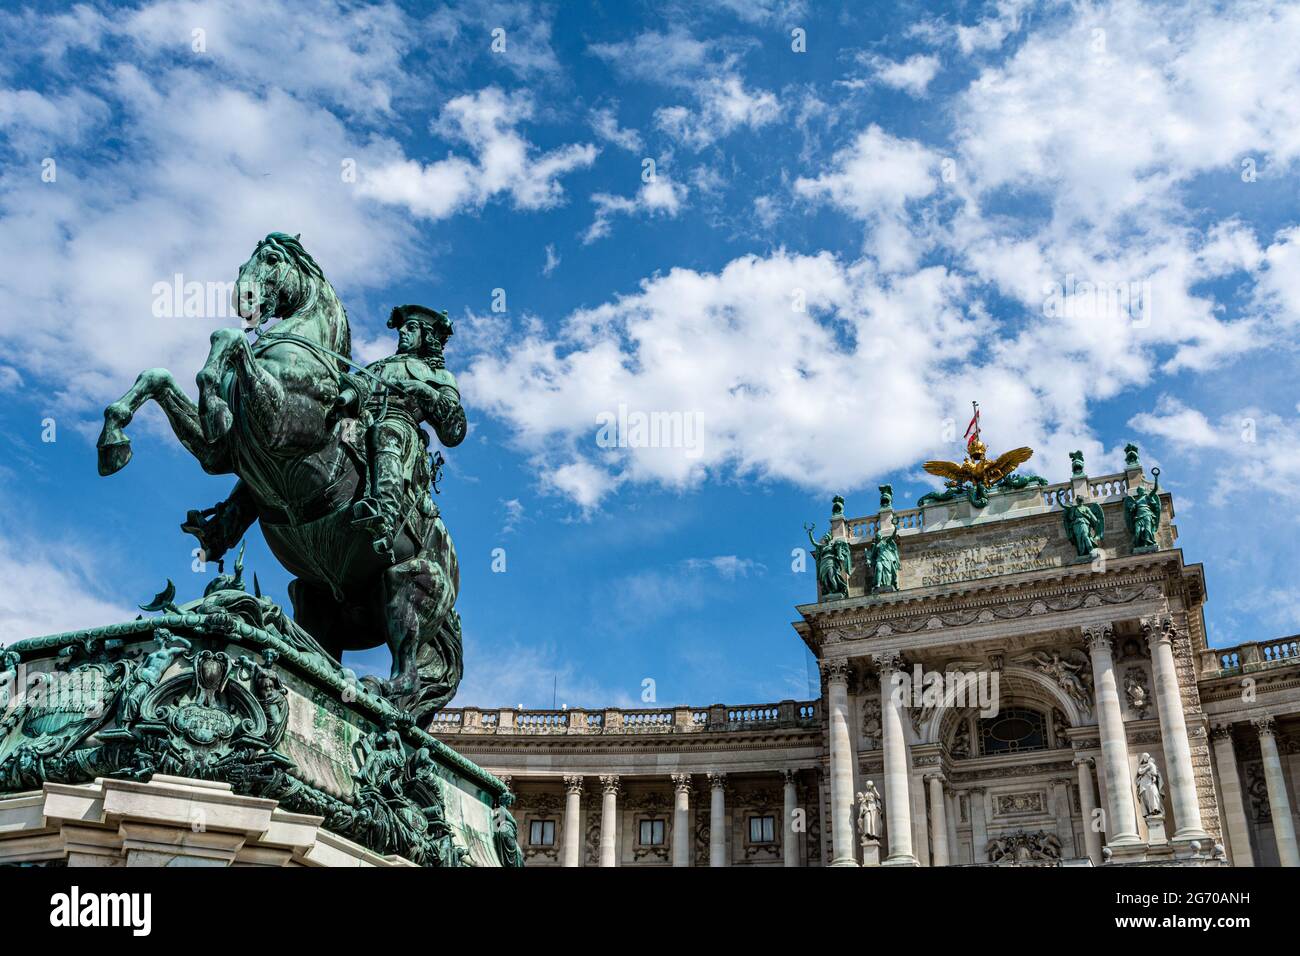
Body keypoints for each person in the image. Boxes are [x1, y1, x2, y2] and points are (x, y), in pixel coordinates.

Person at [342, 305, 467, 562]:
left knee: (386, 431)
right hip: (359, 418)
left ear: (427, 337)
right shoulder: (377, 366)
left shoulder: (439, 375)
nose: (402, 331)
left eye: (410, 328)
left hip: (400, 424)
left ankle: (384, 512)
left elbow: (454, 431)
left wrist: (424, 391)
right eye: (402, 327)